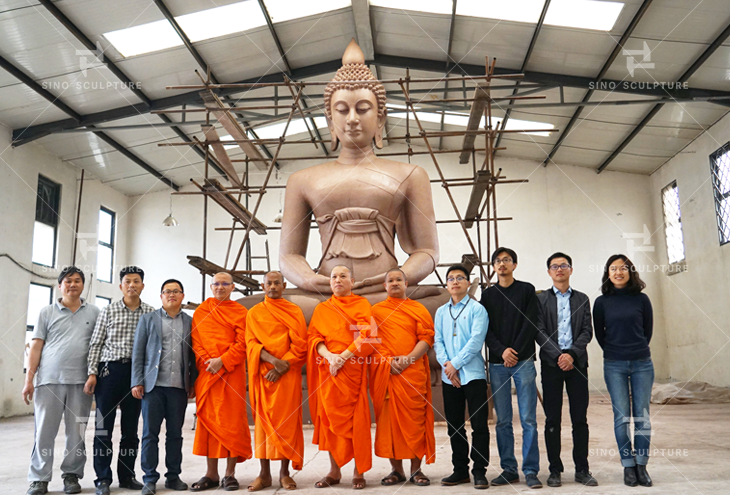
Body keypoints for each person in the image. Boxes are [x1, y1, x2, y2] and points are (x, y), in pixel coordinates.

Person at [23, 267, 100, 495]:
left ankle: (71, 475)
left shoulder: (94, 312)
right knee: (44, 432)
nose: (72, 284)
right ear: (60, 286)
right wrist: (29, 380)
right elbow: (36, 347)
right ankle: (39, 479)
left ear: (83, 286)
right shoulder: (46, 312)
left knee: (76, 432)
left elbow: (97, 347)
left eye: (77, 281)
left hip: (81, 382)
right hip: (49, 381)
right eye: (68, 281)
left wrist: (93, 375)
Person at [85, 266, 154, 495]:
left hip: (136, 376)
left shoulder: (150, 313)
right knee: (103, 429)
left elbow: (153, 349)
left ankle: (127, 476)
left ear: (142, 285)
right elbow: (96, 343)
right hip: (109, 373)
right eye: (127, 281)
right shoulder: (108, 311)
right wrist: (92, 373)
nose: (132, 285)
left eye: (136, 281)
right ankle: (102, 478)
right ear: (121, 285)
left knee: (131, 430)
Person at [307, 265, 376, 490]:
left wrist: (343, 356)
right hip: (328, 369)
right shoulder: (322, 309)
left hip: (352, 369)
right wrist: (329, 356)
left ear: (352, 281)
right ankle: (334, 471)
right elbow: (314, 337)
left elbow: (367, 335)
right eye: (334, 277)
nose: (338, 280)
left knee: (357, 423)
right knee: (329, 422)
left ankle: (358, 472)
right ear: (330, 283)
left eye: (343, 276)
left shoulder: (362, 304)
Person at [480, 248, 542, 489]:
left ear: (514, 265)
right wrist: (501, 351)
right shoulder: (488, 295)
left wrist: (513, 351)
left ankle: (531, 470)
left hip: (523, 361)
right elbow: (486, 329)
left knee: (528, 419)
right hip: (497, 363)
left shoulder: (526, 290)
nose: (502, 264)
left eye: (506, 260)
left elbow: (531, 323)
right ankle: (509, 469)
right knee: (503, 420)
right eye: (498, 261)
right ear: (494, 267)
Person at [535, 253, 598, 487]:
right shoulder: (540, 300)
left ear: (571, 270)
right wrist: (558, 355)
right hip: (552, 365)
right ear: (549, 272)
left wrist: (571, 354)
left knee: (579, 418)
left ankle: (582, 469)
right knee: (552, 419)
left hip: (577, 364)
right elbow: (538, 330)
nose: (559, 269)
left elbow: (586, 331)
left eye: (563, 265)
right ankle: (555, 470)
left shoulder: (582, 299)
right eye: (554, 266)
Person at [369, 268, 436, 487]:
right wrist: (387, 362)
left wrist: (407, 360)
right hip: (386, 374)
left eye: (399, 279)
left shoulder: (418, 309)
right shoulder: (376, 311)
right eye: (390, 280)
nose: (395, 283)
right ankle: (396, 470)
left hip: (412, 372)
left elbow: (426, 338)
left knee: (415, 422)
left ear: (406, 283)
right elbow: (370, 342)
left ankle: (416, 470)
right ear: (384, 286)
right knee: (389, 424)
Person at [594, 254, 654, 487]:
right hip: (614, 364)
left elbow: (647, 330)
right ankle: (628, 466)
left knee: (642, 417)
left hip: (642, 363)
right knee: (621, 418)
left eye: (623, 268)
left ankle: (642, 466)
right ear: (607, 274)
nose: (618, 272)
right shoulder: (601, 302)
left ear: (630, 272)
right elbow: (600, 334)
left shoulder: (642, 299)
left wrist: (636, 349)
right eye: (613, 268)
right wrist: (615, 350)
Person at [131, 279, 197, 495]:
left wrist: (192, 384)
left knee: (175, 434)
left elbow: (193, 357)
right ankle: (149, 478)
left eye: (176, 291)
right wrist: (137, 381)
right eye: (167, 291)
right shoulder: (148, 320)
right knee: (150, 434)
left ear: (182, 296)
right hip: (153, 387)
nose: (172, 295)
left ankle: (173, 476)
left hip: (178, 387)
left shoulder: (189, 322)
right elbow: (138, 353)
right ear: (161, 296)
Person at [245, 271, 307, 491]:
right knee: (263, 424)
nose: (272, 286)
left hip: (287, 375)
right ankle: (264, 474)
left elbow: (300, 345)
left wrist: (283, 367)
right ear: (263, 286)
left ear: (284, 285)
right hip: (263, 373)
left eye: (276, 283)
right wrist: (273, 362)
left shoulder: (294, 311)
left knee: (287, 423)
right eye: (268, 283)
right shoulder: (254, 313)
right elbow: (251, 344)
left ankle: (284, 473)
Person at [190, 272, 251, 491]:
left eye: (225, 284)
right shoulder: (202, 311)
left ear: (232, 287)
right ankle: (211, 473)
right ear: (211, 286)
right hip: (207, 373)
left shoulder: (240, 312)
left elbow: (244, 343)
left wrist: (223, 361)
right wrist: (209, 362)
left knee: (231, 422)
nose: (220, 287)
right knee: (208, 422)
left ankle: (229, 474)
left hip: (231, 373)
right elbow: (195, 342)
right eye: (216, 284)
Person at [434, 264, 490, 489]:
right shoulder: (440, 311)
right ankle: (460, 470)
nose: (455, 282)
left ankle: (479, 471)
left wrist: (455, 364)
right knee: (454, 425)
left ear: (468, 283)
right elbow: (438, 341)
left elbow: (476, 341)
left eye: (460, 278)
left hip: (473, 375)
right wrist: (448, 366)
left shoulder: (478, 309)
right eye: (451, 279)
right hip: (450, 378)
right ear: (446, 285)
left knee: (479, 425)